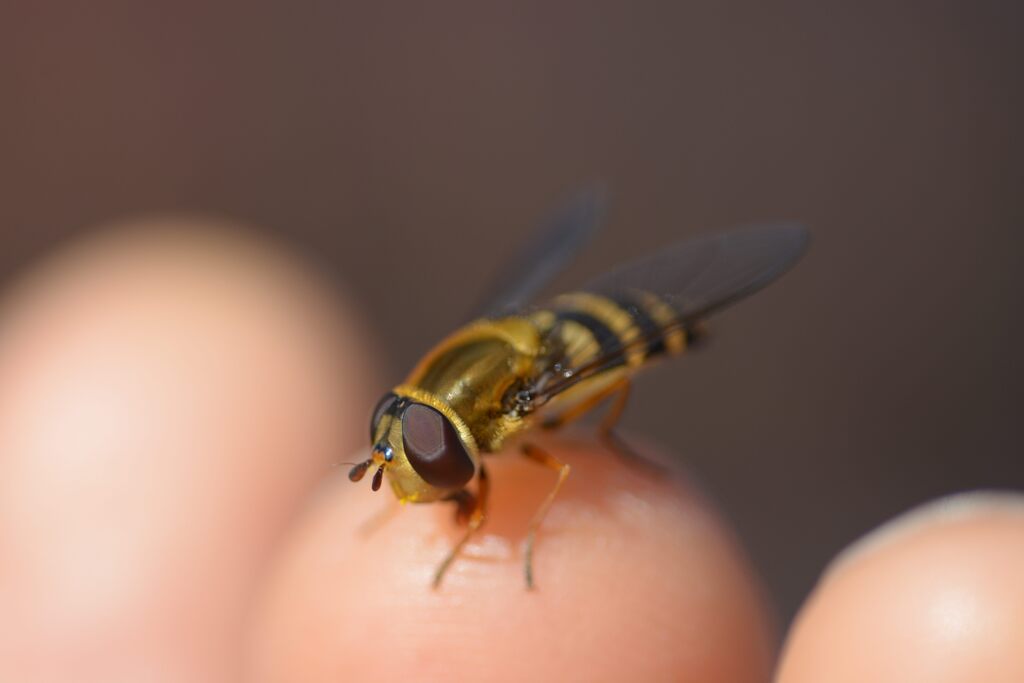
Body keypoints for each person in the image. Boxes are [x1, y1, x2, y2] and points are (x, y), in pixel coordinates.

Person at [1, 220, 1021, 683]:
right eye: (399, 442)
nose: (403, 461)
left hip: (580, 347)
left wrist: (560, 476)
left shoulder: (511, 422)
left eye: (414, 449)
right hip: (524, 342)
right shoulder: (435, 411)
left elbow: (555, 457)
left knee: (583, 448)